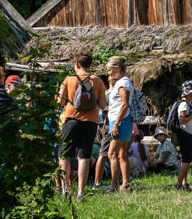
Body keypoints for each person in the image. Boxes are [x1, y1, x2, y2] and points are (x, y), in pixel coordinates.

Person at [56, 52, 108, 201]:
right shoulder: (97, 81)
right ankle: (81, 192)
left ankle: (66, 188)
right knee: (84, 156)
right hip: (91, 122)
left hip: (71, 119)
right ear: (90, 64)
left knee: (64, 154)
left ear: (77, 64)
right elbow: (103, 105)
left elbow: (60, 101)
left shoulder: (69, 79)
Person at [105, 55, 135, 193]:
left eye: (110, 70)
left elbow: (124, 104)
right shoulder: (121, 82)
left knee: (112, 153)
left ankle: (114, 185)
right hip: (121, 119)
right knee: (122, 154)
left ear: (117, 68)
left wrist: (116, 124)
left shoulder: (123, 83)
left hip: (120, 120)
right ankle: (126, 184)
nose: (108, 73)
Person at [174, 80, 192, 191]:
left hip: (187, 134)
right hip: (184, 134)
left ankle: (184, 183)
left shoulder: (185, 104)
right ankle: (179, 184)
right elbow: (182, 120)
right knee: (186, 160)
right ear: (189, 93)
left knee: (186, 159)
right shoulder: (184, 104)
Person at [92, 107, 111, 189]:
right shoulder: (108, 94)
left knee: (107, 153)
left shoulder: (101, 94)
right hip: (106, 124)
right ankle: (97, 182)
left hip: (100, 124)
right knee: (104, 154)